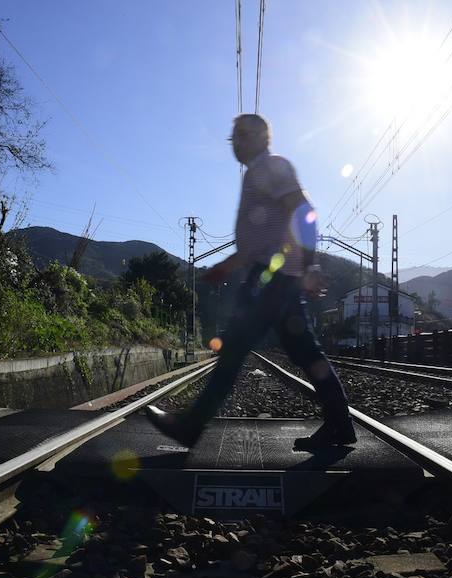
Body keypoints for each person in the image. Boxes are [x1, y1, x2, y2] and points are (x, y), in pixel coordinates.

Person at [147, 113, 356, 451]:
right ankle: (340, 425)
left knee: (234, 349)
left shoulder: (272, 167)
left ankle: (190, 426)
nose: (237, 142)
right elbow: (256, 243)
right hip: (276, 278)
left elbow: (304, 212)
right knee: (306, 353)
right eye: (234, 136)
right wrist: (225, 267)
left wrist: (310, 265)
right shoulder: (255, 175)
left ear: (263, 136)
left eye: (243, 134)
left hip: (273, 279)